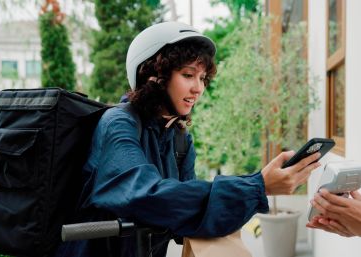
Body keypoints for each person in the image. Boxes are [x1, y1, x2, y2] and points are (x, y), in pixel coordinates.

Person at [55, 21, 321, 257]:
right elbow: (147, 197)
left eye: (203, 78)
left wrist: (258, 184)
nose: (199, 88)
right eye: (188, 75)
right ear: (153, 75)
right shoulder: (118, 123)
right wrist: (258, 186)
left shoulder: (180, 139)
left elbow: (190, 212)